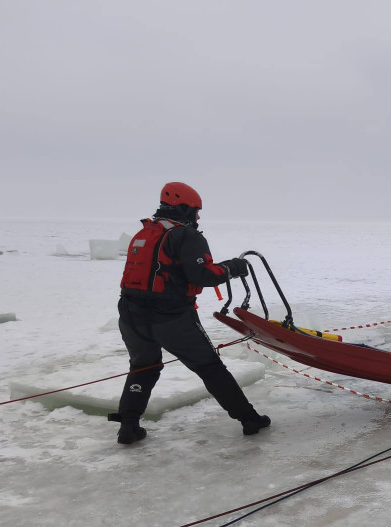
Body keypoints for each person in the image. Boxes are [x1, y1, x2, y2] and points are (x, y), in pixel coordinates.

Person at [108, 181, 271, 444]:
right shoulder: (186, 236)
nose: (197, 217)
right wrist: (233, 268)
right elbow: (203, 275)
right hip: (171, 318)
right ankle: (249, 419)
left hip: (130, 316)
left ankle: (128, 426)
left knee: (143, 367)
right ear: (183, 208)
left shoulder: (145, 233)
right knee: (210, 367)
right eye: (196, 211)